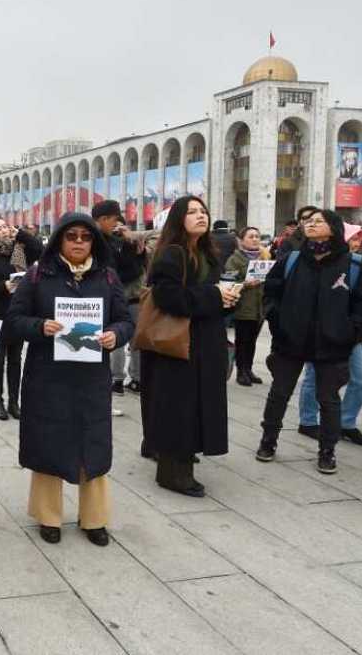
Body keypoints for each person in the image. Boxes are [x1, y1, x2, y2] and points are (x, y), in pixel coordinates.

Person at [7, 213, 133, 546]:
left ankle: (94, 518)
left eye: (85, 237)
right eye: (71, 236)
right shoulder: (37, 275)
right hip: (48, 376)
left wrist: (114, 335)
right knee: (49, 441)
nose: (78, 242)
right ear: (60, 239)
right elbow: (14, 319)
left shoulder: (107, 277)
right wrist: (40, 327)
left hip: (91, 377)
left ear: (94, 241)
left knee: (93, 442)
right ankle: (48, 516)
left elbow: (125, 320)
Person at [258, 210, 362, 473]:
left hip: (333, 345)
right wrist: (278, 322)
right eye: (308, 221)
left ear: (334, 228)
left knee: (329, 399)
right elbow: (271, 292)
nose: (311, 224)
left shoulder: (353, 266)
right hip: (290, 341)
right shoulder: (291, 260)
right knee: (279, 393)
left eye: (318, 221)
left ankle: (327, 451)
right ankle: (268, 440)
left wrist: (350, 332)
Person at [140, 196, 237, 497]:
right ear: (178, 219)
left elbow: (206, 295)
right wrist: (214, 296)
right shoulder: (172, 254)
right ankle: (173, 474)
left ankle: (182, 457)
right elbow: (169, 298)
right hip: (176, 344)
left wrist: (226, 298)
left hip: (203, 340)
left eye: (203, 211)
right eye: (192, 212)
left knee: (194, 404)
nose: (200, 216)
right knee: (177, 407)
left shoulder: (207, 252)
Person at [91, 201, 148, 398]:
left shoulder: (122, 242)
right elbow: (120, 270)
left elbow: (139, 265)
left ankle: (134, 378)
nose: (117, 228)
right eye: (115, 222)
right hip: (111, 298)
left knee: (133, 339)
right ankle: (115, 379)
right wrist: (123, 244)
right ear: (104, 220)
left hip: (131, 298)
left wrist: (132, 243)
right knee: (113, 339)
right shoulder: (98, 241)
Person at [225, 227, 269, 387]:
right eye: (251, 236)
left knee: (252, 341)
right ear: (242, 240)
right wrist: (245, 284)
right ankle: (241, 371)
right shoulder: (235, 259)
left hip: (259, 308)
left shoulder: (264, 258)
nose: (255, 239)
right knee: (242, 340)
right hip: (243, 306)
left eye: (257, 236)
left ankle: (249, 369)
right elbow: (228, 281)